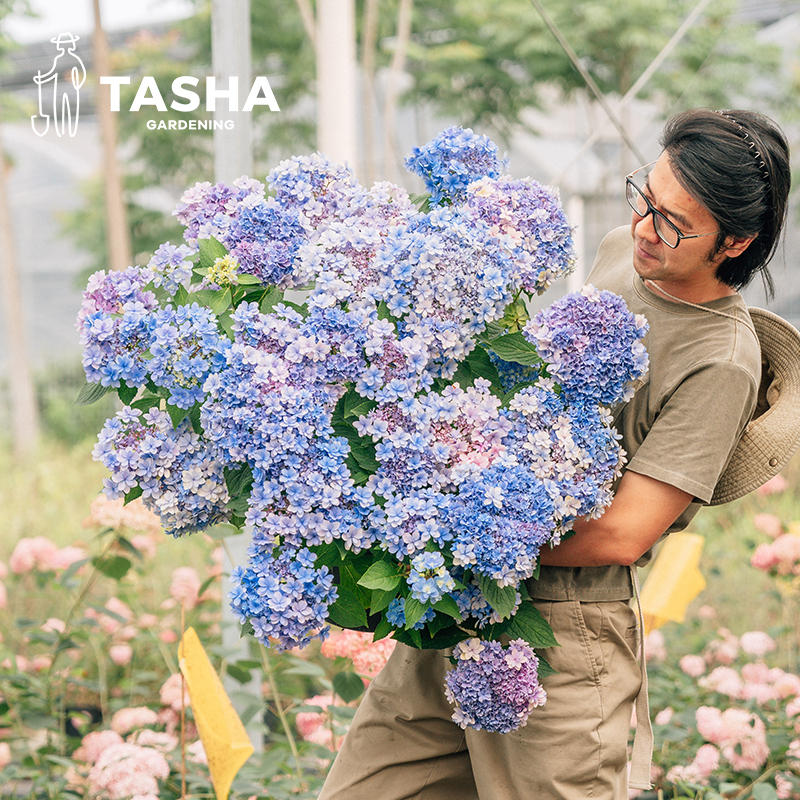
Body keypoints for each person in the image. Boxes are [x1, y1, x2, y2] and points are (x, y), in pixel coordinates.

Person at [317, 108, 795, 800]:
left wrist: (448, 541)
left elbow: (625, 533)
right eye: (645, 200)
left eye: (671, 223)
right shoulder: (619, 255)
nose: (642, 230)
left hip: (561, 638)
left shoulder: (719, 362)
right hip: (462, 602)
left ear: (736, 241)